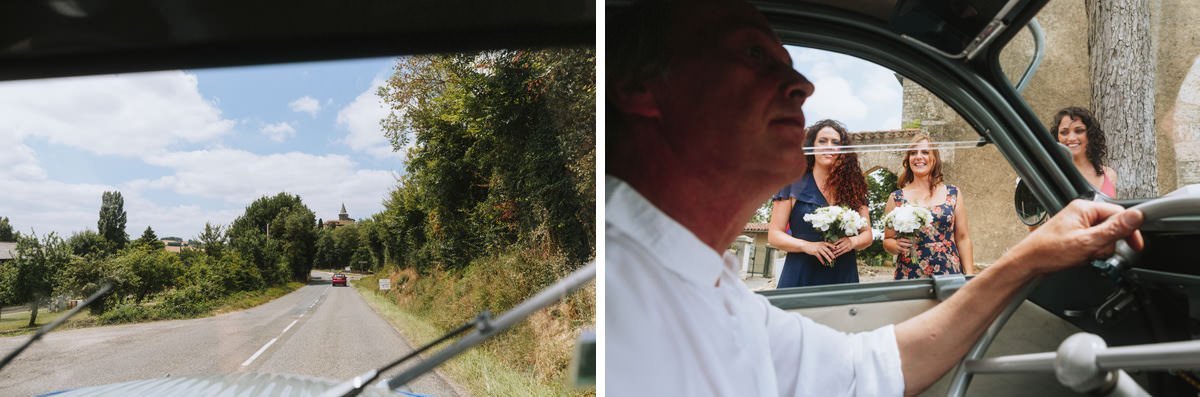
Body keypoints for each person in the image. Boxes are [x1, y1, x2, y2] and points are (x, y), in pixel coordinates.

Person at [606, 0, 1144, 395]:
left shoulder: (721, 292)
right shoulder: (618, 293)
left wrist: (1029, 256)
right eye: (752, 52)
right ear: (641, 87)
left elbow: (869, 369)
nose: (801, 85)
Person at [768, 119, 871, 287]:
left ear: (842, 149)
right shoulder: (792, 184)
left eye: (835, 142)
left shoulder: (854, 187)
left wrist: (853, 242)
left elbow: (867, 235)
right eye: (822, 141)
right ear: (811, 146)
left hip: (842, 275)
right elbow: (774, 235)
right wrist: (807, 246)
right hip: (801, 273)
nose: (828, 146)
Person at [883, 134, 976, 279]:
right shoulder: (896, 198)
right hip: (910, 274)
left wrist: (970, 276)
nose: (918, 157)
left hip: (949, 274)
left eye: (925, 152)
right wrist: (895, 246)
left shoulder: (953, 193)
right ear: (908, 159)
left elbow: (963, 238)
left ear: (934, 158)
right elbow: (887, 240)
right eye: (913, 153)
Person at [1051, 106, 1118, 198]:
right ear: (1057, 137)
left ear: (1090, 134)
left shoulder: (1109, 174)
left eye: (1079, 131)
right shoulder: (1055, 175)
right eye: (1064, 132)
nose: (1071, 138)